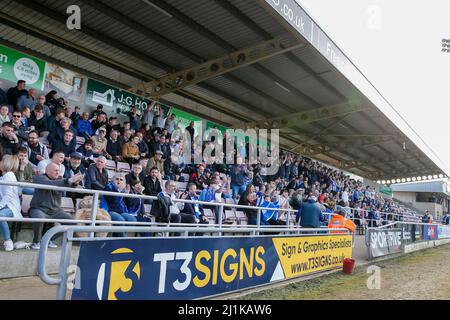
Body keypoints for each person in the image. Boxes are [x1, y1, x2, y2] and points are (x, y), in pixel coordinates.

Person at [29, 162, 84, 250]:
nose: (57, 172)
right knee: (39, 218)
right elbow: (49, 184)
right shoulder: (39, 177)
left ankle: (48, 239)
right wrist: (70, 180)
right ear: (47, 171)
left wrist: (75, 182)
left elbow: (68, 185)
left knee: (72, 223)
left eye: (58, 170)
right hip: (39, 208)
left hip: (55, 210)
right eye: (55, 170)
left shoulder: (60, 179)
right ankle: (36, 242)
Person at [103, 173, 137, 237]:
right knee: (120, 220)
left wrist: (127, 195)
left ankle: (119, 236)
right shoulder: (108, 187)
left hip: (120, 211)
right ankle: (122, 240)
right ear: (113, 180)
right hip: (109, 210)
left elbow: (129, 204)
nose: (119, 181)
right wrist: (119, 191)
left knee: (132, 220)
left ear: (124, 182)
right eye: (117, 179)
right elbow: (113, 202)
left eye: (121, 180)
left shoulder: (123, 189)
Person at [0, 155, 22, 252]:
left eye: (1, 161)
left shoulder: (8, 175)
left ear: (6, 163)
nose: (0, 162)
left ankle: (8, 240)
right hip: (6, 205)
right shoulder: (4, 176)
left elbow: (8, 195)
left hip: (11, 207)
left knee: (0, 215)